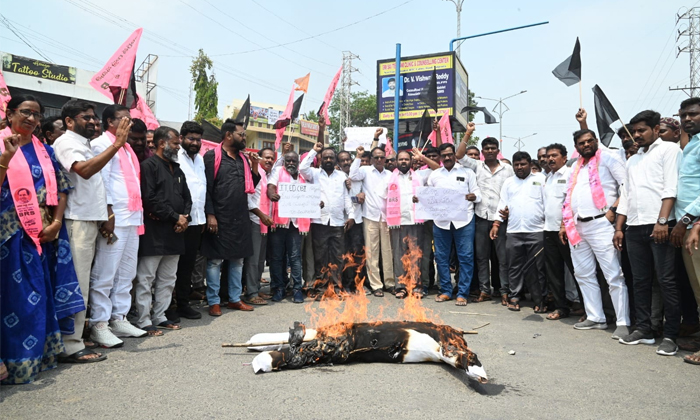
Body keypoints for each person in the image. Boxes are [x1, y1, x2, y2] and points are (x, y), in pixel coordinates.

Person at [0, 95, 86, 383]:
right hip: (9, 234)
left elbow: (63, 189)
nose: (33, 119)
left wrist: (57, 222)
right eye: (26, 113)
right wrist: (4, 161)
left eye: (37, 115)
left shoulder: (45, 151)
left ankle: (36, 358)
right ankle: (12, 363)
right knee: (15, 301)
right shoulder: (1, 143)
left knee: (38, 299)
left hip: (43, 234)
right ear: (10, 114)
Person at [54, 99, 122, 363]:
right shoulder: (67, 142)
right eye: (87, 118)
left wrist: (106, 214)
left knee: (84, 284)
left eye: (95, 118)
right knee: (77, 286)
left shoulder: (86, 145)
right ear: (69, 121)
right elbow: (82, 171)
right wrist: (116, 145)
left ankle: (76, 338)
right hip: (76, 221)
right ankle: (70, 346)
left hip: (90, 220)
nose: (94, 122)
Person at [614, 110, 682, 356]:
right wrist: (620, 228)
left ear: (656, 128)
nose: (637, 135)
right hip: (634, 227)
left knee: (666, 281)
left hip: (661, 225)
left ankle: (671, 335)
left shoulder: (669, 150)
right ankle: (644, 329)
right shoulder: (633, 160)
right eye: (634, 131)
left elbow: (671, 188)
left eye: (642, 130)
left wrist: (662, 221)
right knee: (640, 281)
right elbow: (626, 196)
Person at [560, 128, 630, 339]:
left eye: (590, 141)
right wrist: (565, 224)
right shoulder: (575, 167)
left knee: (613, 275)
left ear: (596, 141)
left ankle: (623, 322)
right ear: (577, 147)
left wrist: (613, 210)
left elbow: (627, 186)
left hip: (601, 224)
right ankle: (595, 317)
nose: (586, 145)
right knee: (583, 273)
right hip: (577, 226)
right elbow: (569, 196)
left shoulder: (608, 158)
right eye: (582, 143)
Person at [88, 105, 147, 347]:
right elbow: (102, 182)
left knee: (126, 273)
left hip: (132, 217)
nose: (129, 124)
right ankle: (99, 324)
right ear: (110, 122)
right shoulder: (101, 144)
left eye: (131, 119)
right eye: (124, 119)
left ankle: (119, 317)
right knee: (105, 273)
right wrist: (108, 212)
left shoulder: (129, 148)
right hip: (116, 217)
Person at [133, 126, 191, 334]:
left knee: (168, 278)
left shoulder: (177, 168)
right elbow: (149, 198)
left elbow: (187, 198)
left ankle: (160, 315)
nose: (178, 147)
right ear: (161, 143)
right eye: (175, 143)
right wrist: (175, 217)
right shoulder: (149, 166)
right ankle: (143, 319)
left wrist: (184, 217)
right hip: (156, 231)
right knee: (146, 277)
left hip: (176, 231)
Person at [202, 119, 259, 315]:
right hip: (219, 218)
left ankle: (235, 299)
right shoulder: (212, 157)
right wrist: (210, 214)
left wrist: (255, 170)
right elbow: (207, 189)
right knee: (215, 261)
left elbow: (250, 186)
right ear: (228, 136)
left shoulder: (243, 159)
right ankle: (214, 301)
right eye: (241, 134)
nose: (244, 138)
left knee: (238, 260)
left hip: (240, 217)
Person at [455, 133, 514, 305]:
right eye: (486, 149)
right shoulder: (477, 166)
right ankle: (484, 290)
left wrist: (509, 210)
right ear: (482, 151)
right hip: (480, 217)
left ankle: (504, 291)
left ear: (498, 151)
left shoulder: (507, 169)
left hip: (500, 219)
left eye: (492, 148)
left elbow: (511, 191)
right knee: (481, 257)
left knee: (502, 258)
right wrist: (467, 133)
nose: (489, 151)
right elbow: (459, 155)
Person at [425, 142, 480, 305]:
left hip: (464, 220)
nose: (447, 157)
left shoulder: (467, 172)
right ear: (440, 158)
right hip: (441, 222)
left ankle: (463, 293)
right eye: (444, 155)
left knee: (465, 257)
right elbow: (429, 197)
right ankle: (446, 291)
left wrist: (473, 196)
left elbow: (477, 193)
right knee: (441, 258)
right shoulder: (435, 175)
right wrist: (420, 199)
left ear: (455, 155)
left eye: (450, 154)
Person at [492, 151, 546, 312]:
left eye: (523, 164)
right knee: (514, 266)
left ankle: (539, 300)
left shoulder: (541, 180)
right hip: (514, 231)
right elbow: (503, 202)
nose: (520, 167)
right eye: (516, 165)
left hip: (537, 230)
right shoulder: (509, 182)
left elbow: (548, 202)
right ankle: (514, 296)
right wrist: (496, 223)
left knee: (538, 267)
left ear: (530, 164)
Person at [300, 142, 354, 297]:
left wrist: (350, 216)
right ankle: (321, 289)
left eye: (331, 157)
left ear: (335, 160)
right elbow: (302, 168)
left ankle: (337, 288)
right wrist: (313, 151)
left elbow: (346, 198)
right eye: (325, 157)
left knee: (338, 257)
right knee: (320, 257)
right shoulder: (314, 174)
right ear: (321, 159)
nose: (328, 159)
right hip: (320, 222)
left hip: (338, 222)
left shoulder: (342, 176)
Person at [349, 145, 394, 297]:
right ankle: (376, 285)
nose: (379, 159)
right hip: (370, 216)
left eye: (382, 157)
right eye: (376, 157)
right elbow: (353, 174)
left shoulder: (390, 174)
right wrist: (358, 155)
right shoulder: (366, 170)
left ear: (386, 158)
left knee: (388, 252)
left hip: (387, 217)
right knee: (372, 252)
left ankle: (390, 283)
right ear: (372, 159)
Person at [675, 97, 700, 365]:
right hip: (688, 224)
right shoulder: (691, 145)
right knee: (697, 288)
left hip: (695, 224)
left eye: (692, 115)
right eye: (684, 116)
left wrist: (687, 220)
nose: (687, 119)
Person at [173, 121, 206, 319]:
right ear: (181, 138)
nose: (194, 142)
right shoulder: (175, 157)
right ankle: (168, 305)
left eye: (197, 139)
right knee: (171, 267)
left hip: (197, 221)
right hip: (179, 220)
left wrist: (203, 217)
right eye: (191, 138)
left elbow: (203, 189)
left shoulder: (200, 160)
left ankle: (183, 304)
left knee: (188, 265)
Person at [386, 150, 430, 299]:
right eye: (401, 159)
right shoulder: (389, 177)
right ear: (396, 161)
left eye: (406, 159)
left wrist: (422, 157)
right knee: (399, 255)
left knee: (415, 255)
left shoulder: (420, 176)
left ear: (411, 161)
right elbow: (381, 197)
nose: (403, 162)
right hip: (397, 222)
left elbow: (437, 169)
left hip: (415, 220)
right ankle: (401, 286)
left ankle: (416, 286)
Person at [267, 148, 308, 303]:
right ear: (284, 162)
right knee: (277, 257)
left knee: (295, 257)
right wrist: (271, 194)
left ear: (298, 163)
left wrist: (316, 202)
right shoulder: (278, 171)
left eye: (294, 161)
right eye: (288, 160)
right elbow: (271, 186)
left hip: (296, 224)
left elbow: (311, 193)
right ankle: (279, 288)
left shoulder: (303, 175)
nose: (291, 163)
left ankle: (297, 288)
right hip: (279, 222)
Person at [543, 143, 576, 320]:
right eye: (548, 156)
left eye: (554, 155)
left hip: (566, 230)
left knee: (576, 269)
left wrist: (564, 225)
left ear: (564, 158)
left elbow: (570, 201)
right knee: (554, 272)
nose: (550, 159)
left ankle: (586, 307)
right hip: (549, 230)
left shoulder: (571, 174)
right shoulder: (548, 177)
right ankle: (561, 307)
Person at [243, 147, 276, 305]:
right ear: (259, 158)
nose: (269, 160)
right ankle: (251, 292)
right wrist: (262, 216)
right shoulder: (254, 174)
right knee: (253, 260)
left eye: (272, 158)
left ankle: (255, 288)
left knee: (261, 259)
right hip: (255, 221)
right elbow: (249, 200)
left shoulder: (269, 176)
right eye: (266, 157)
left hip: (265, 222)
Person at [338, 150, 368, 292]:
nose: (345, 162)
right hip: (342, 222)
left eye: (347, 160)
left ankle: (358, 284)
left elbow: (364, 197)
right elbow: (340, 200)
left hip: (357, 220)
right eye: (342, 160)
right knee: (344, 255)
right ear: (338, 163)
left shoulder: (359, 177)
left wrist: (362, 196)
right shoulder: (337, 178)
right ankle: (345, 284)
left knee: (358, 255)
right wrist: (355, 198)